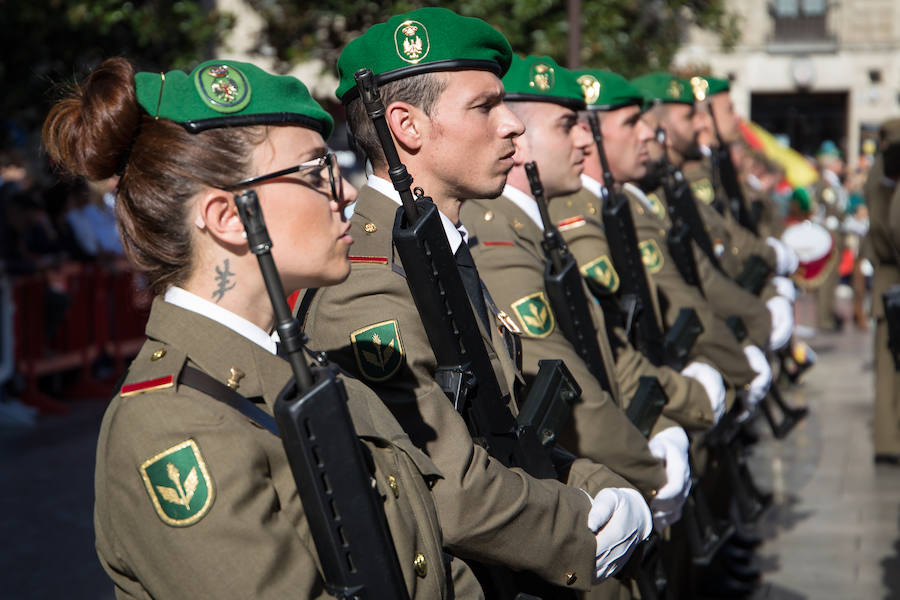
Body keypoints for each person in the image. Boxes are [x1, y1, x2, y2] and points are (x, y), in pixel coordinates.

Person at [42, 56, 474, 598]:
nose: (344, 193)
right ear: (228, 217)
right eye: (315, 171)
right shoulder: (173, 424)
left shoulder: (299, 364)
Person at [301, 7, 654, 593]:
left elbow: (509, 428)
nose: (513, 124)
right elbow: (452, 487)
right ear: (408, 127)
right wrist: (580, 524)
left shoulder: (439, 249)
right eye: (484, 106)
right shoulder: (368, 282)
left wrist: (597, 482)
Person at [865, 118, 900, 463]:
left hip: (890, 277)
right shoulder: (882, 177)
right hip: (891, 277)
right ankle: (888, 441)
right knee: (890, 369)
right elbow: (882, 228)